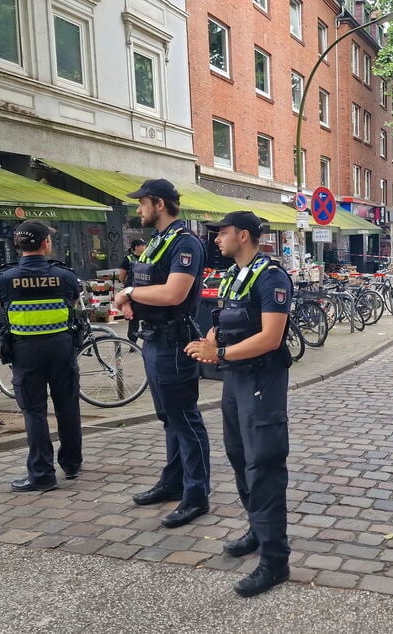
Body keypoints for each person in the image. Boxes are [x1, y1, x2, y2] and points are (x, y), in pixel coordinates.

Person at [185, 211, 293, 598]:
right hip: (236, 381)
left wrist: (221, 352)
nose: (216, 239)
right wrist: (209, 343)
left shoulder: (271, 277)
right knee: (238, 456)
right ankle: (257, 529)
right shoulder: (234, 275)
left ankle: (274, 560)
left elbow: (270, 338)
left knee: (263, 463)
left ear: (243, 235)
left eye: (223, 233)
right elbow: (224, 322)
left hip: (262, 380)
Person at [113, 178, 211, 529]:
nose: (138, 209)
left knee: (184, 419)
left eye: (141, 203)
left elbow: (173, 293)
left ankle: (197, 495)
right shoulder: (159, 241)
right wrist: (134, 304)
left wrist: (129, 295)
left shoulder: (185, 242)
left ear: (158, 203)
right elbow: (148, 286)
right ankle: (173, 482)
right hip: (154, 338)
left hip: (173, 343)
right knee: (170, 418)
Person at [0, 221, 82, 491]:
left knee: (34, 411)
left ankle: (42, 474)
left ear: (18, 246)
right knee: (68, 406)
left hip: (25, 351)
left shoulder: (3, 278)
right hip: (61, 348)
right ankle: (72, 463)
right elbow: (73, 301)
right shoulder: (64, 276)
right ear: (45, 244)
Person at [118, 239, 146, 342]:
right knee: (133, 317)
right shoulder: (127, 259)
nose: (145, 247)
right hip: (131, 292)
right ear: (137, 247)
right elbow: (121, 277)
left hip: (144, 290)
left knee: (147, 314)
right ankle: (132, 341)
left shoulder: (147, 258)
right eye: (143, 245)